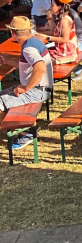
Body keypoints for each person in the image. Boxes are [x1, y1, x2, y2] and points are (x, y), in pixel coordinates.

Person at [0, 17, 52, 149]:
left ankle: (26, 133)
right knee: (2, 95)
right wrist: (7, 61)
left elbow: (40, 67)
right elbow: (26, 64)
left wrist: (26, 87)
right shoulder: (34, 41)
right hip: (42, 88)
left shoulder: (28, 48)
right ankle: (23, 130)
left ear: (12, 33)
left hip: (37, 91)